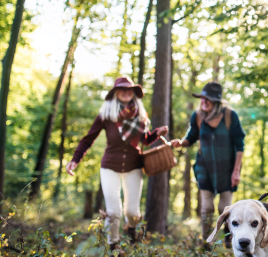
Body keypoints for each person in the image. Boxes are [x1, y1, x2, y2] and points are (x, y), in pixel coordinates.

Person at [66, 76, 168, 252]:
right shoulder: (106, 115)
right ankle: (113, 247)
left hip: (134, 166)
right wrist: (75, 159)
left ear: (134, 93)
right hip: (109, 166)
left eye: (130, 89)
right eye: (122, 89)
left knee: (132, 213)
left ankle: (130, 228)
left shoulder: (141, 116)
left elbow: (143, 140)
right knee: (113, 212)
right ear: (115, 93)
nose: (126, 92)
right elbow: (88, 139)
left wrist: (156, 134)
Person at [170, 81, 245, 249]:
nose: (203, 102)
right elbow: (192, 137)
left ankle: (228, 237)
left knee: (224, 208)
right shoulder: (197, 116)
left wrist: (236, 171)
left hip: (228, 168)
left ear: (216, 101)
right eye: (202, 98)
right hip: (204, 167)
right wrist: (181, 143)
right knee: (207, 207)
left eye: (208, 99)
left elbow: (240, 144)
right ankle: (207, 243)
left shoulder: (229, 116)